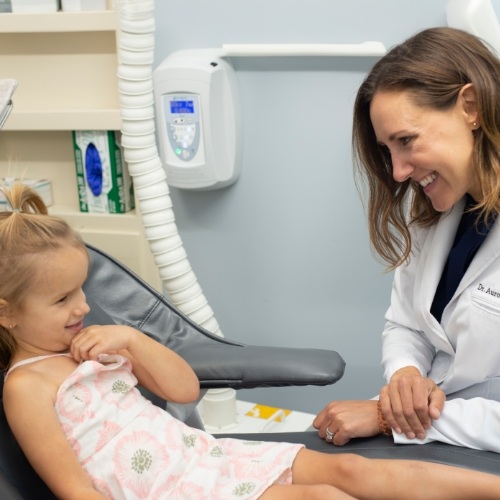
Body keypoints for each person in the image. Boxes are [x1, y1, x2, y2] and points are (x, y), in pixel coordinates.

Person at [2, 183, 500, 499]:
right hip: (168, 490)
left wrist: (132, 338)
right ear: (6, 313)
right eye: (62, 299)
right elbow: (73, 489)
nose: (84, 306)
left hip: (204, 457)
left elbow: (182, 391)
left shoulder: (95, 345)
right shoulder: (27, 387)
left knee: (349, 470)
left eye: (83, 290)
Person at [314, 26, 500, 454]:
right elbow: (406, 324)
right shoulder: (437, 213)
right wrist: (404, 377)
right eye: (387, 150)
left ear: (469, 107)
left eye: (406, 141)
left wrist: (387, 416)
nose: (398, 172)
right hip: (435, 439)